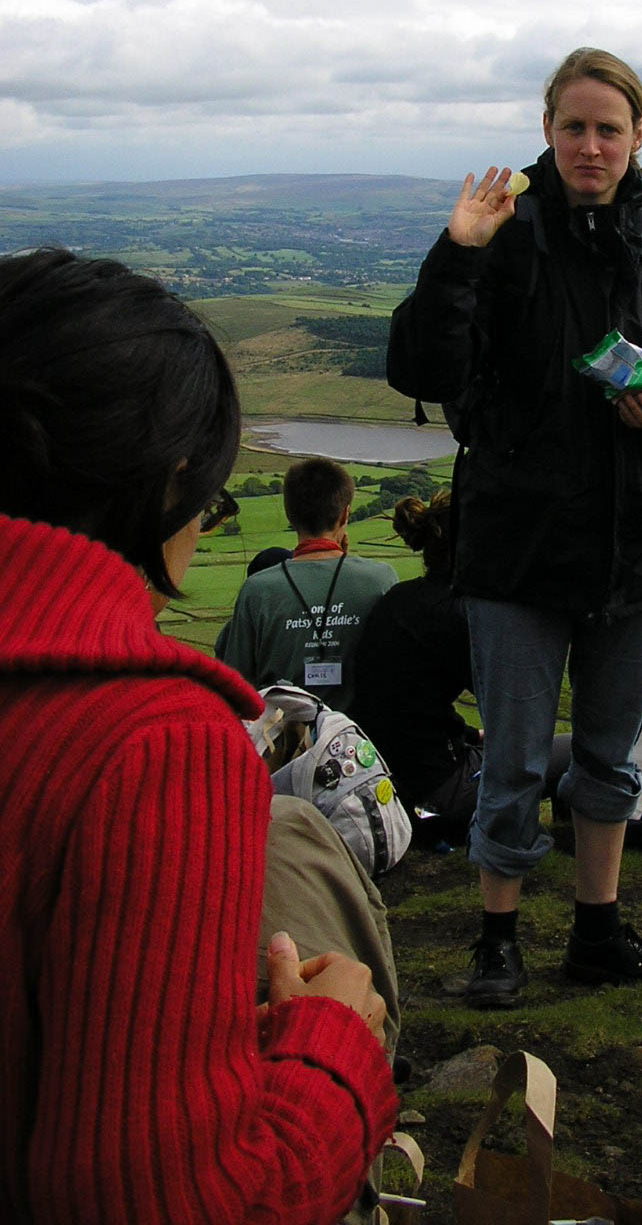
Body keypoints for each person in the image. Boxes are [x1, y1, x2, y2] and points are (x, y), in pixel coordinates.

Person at [0, 248, 396, 1224]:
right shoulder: (153, 746)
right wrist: (332, 1044)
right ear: (170, 479)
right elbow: (168, 1204)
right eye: (211, 500)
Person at [387, 46, 642, 1004]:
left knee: (606, 757)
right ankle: (496, 944)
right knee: (510, 761)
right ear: (547, 132)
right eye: (575, 127)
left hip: (640, 544)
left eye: (610, 129)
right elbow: (423, 369)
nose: (591, 145)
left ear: (638, 139)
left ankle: (597, 933)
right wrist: (457, 251)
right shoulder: (502, 240)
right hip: (517, 548)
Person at [352, 491, 570, 842]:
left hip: (388, 789)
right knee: (575, 750)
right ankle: (565, 840)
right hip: (435, 799)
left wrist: (471, 736)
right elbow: (520, 713)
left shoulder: (400, 599)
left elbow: (407, 702)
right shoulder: (460, 615)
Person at [219, 456, 396, 708]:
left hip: (281, 743)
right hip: (361, 741)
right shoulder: (381, 579)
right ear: (345, 513)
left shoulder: (257, 590)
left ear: (289, 515)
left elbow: (235, 684)